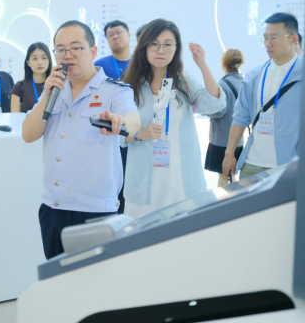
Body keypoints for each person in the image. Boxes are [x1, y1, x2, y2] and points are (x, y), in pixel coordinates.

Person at [22, 20, 141, 259]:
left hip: (95, 212)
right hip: (53, 207)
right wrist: (46, 95)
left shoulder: (114, 90)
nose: (68, 55)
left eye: (76, 48)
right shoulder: (53, 91)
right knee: (57, 277)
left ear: (93, 51)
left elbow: (133, 120)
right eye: (61, 49)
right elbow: (28, 134)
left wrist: (121, 122)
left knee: (96, 280)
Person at [122, 19, 225, 220]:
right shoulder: (130, 85)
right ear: (144, 47)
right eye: (154, 43)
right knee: (144, 233)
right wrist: (141, 134)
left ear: (176, 49)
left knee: (184, 233)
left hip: (182, 176)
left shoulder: (184, 81)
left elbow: (215, 105)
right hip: (145, 181)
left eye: (168, 44)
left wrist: (202, 65)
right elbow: (116, 134)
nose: (161, 50)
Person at [223, 12, 302, 180]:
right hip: (252, 164)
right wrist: (229, 153)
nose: (268, 44)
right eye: (265, 38)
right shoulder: (254, 76)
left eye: (274, 37)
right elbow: (240, 118)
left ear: (293, 39)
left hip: (290, 165)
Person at [94, 20, 134, 213]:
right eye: (111, 35)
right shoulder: (99, 66)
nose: (115, 36)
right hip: (111, 134)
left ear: (129, 35)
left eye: (119, 32)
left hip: (138, 132)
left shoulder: (141, 64)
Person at [204, 49, 245, 186]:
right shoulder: (245, 82)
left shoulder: (222, 85)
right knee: (230, 175)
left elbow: (220, 112)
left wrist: (205, 110)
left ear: (223, 64)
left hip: (222, 140)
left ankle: (228, 200)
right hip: (238, 139)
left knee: (224, 178)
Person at [11, 42, 52, 113]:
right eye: (35, 58)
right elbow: (15, 117)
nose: (40, 62)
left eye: (44, 58)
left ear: (49, 61)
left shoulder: (56, 85)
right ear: (28, 63)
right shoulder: (19, 87)